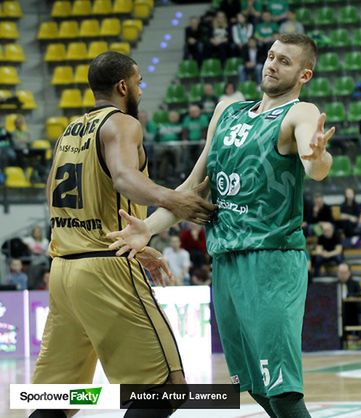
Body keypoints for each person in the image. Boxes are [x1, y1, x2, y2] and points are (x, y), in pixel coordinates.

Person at [108, 34, 334, 418]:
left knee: (282, 389)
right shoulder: (227, 111)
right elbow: (193, 189)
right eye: (270, 56)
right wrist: (149, 228)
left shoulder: (300, 112)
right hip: (226, 263)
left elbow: (316, 166)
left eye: (284, 61)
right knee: (255, 386)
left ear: (304, 74)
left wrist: (317, 156)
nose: (272, 64)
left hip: (272, 260)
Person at [28, 51, 215, 418]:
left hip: (65, 271)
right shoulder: (122, 124)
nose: (141, 90)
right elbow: (125, 179)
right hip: (105, 272)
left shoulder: (69, 132)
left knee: (57, 400)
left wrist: (132, 237)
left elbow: (53, 191)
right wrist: (174, 201)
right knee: (165, 390)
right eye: (139, 82)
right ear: (123, 85)